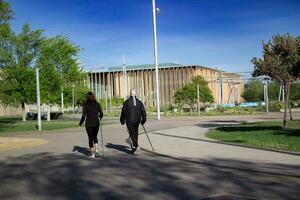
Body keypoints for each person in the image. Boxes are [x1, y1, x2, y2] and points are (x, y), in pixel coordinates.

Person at [120, 89, 147, 155]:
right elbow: (143, 112)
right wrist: (143, 120)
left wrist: (122, 120)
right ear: (135, 94)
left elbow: (123, 112)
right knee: (135, 133)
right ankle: (135, 146)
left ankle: (136, 146)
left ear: (130, 94)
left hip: (129, 121)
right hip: (137, 120)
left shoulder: (126, 102)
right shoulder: (139, 102)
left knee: (132, 134)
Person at [79, 92, 103, 158]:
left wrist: (80, 122)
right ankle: (97, 150)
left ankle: (92, 153)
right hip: (96, 123)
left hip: (89, 123)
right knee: (95, 136)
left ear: (87, 97)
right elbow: (101, 114)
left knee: (90, 138)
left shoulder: (85, 104)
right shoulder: (97, 104)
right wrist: (100, 117)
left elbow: (84, 115)